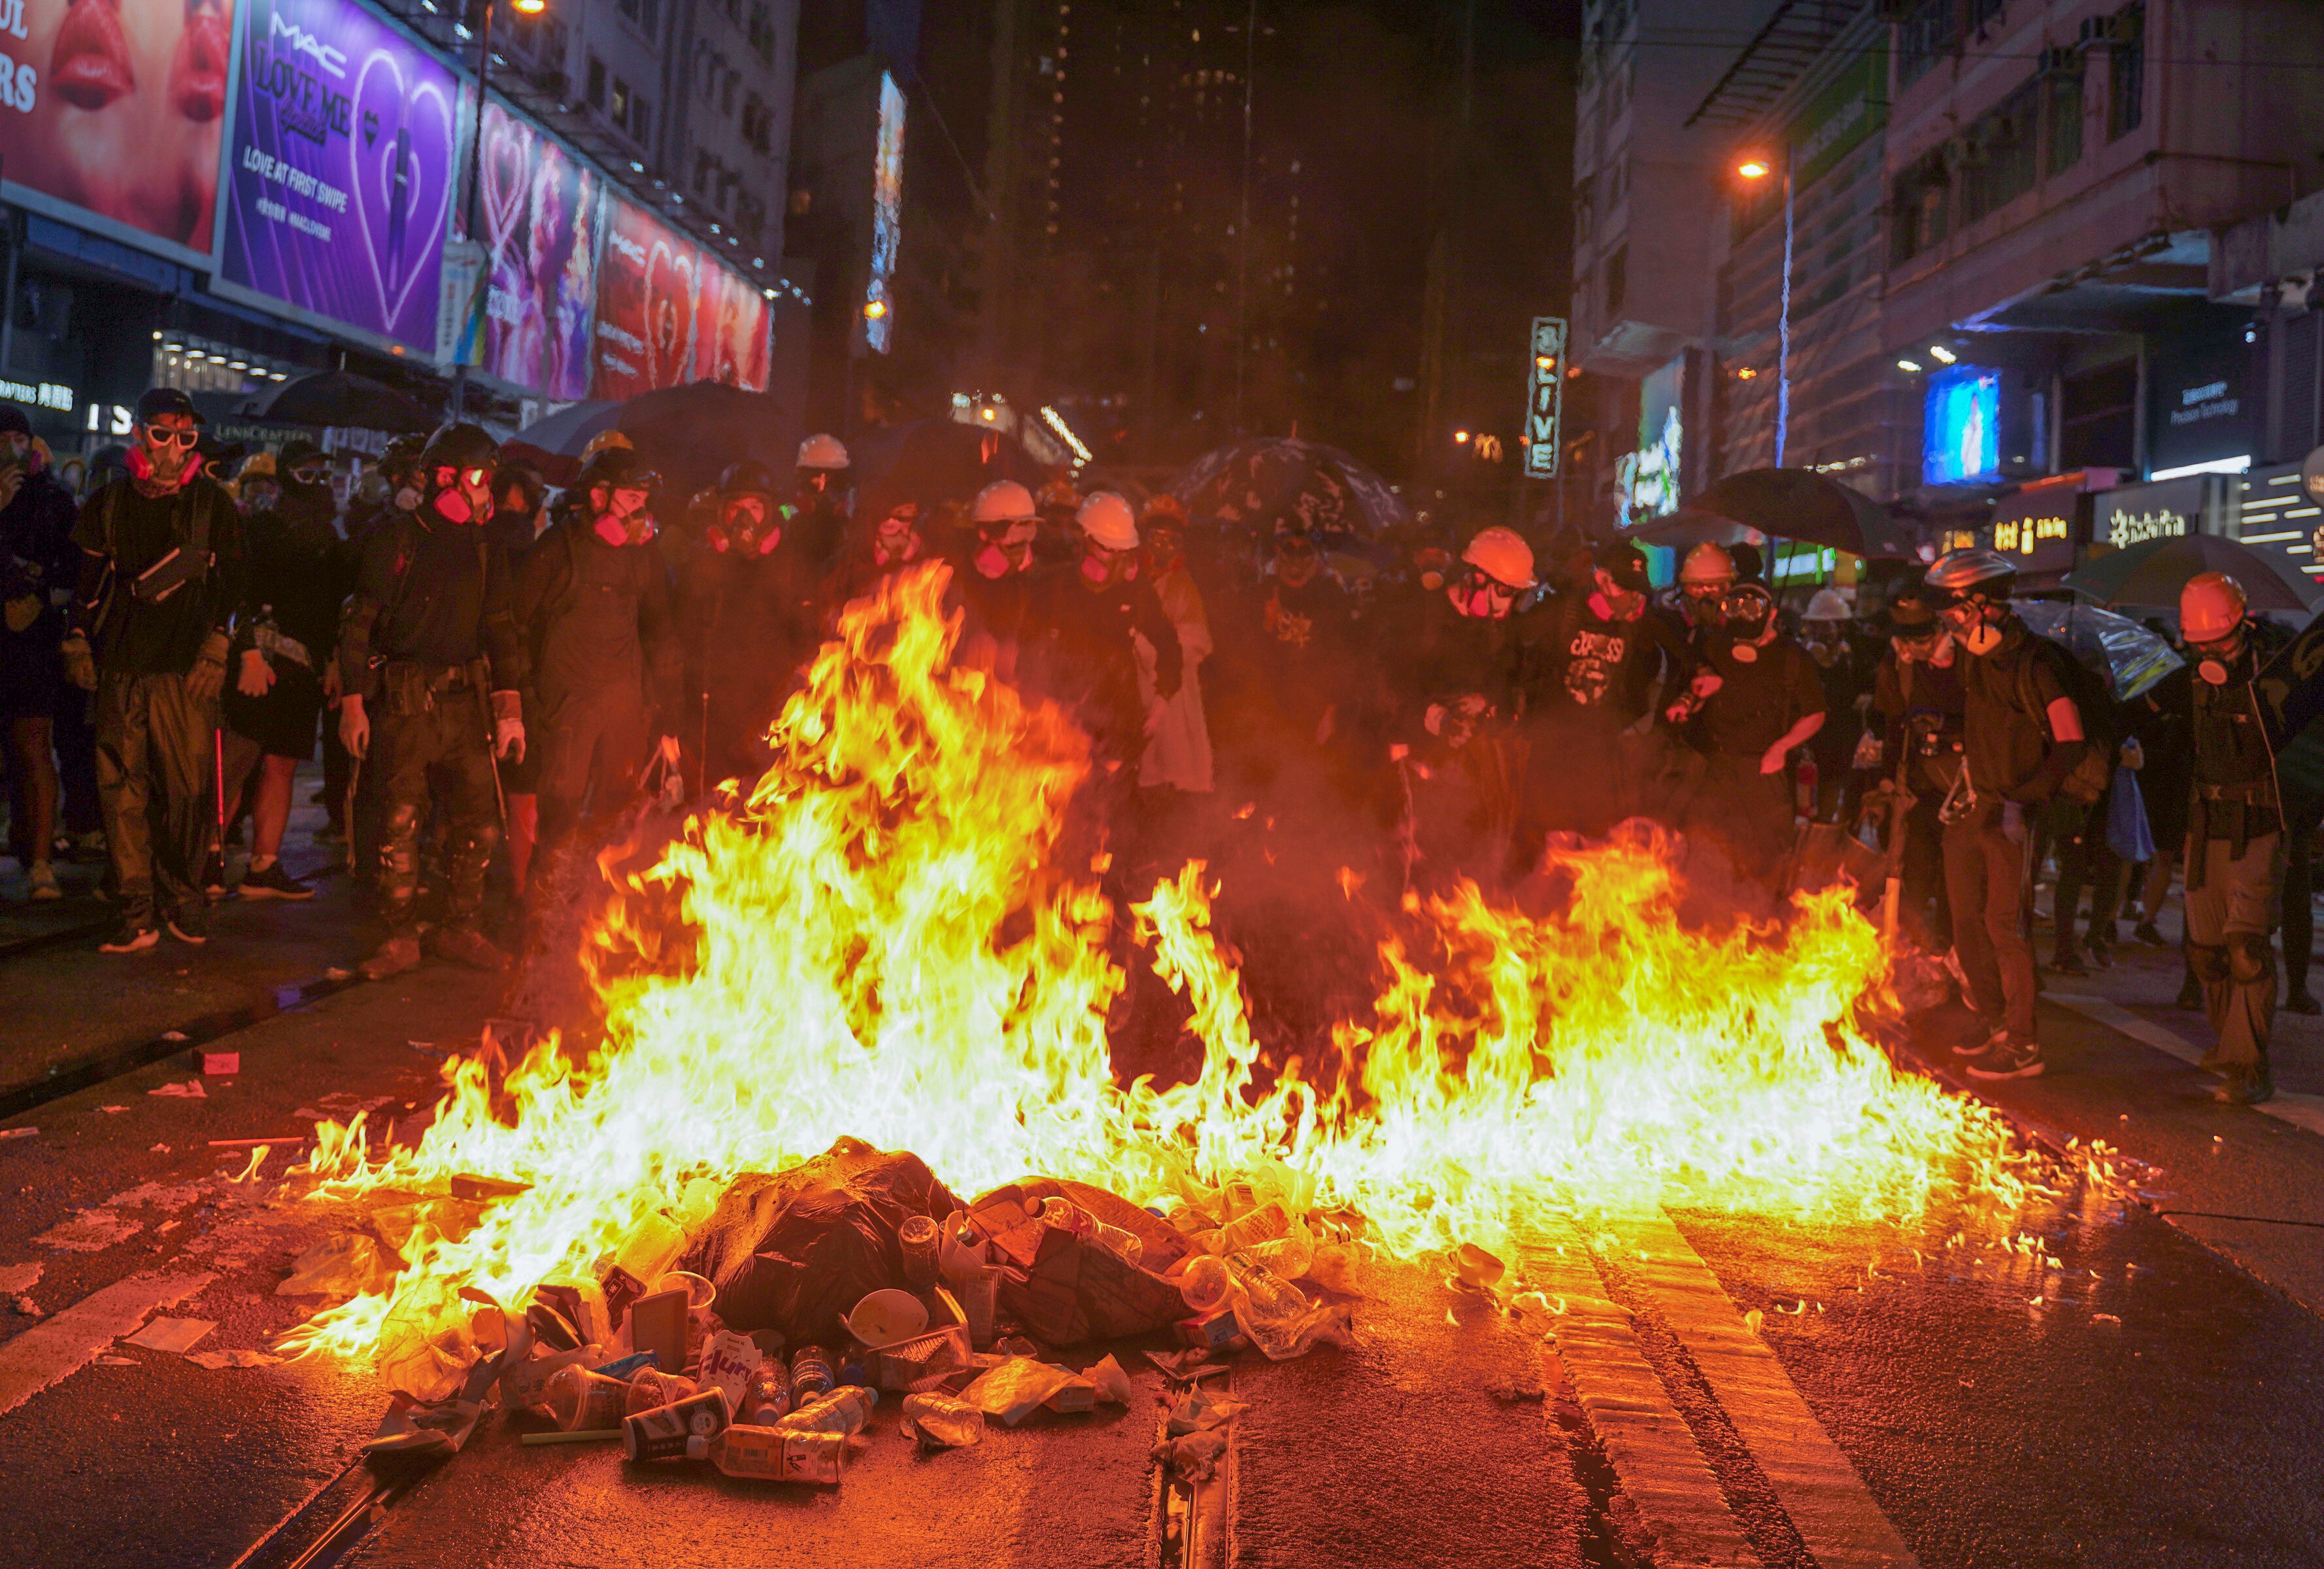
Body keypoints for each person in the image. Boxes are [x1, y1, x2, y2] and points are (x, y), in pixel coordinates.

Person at [335, 424, 526, 979]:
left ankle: (459, 928)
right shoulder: (397, 539)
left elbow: (501, 627)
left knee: (480, 823)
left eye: (489, 480)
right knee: (397, 821)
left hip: (467, 704)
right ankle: (398, 937)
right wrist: (353, 703)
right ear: (443, 478)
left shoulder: (486, 546)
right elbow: (359, 623)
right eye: (475, 478)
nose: (485, 490)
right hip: (405, 703)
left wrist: (509, 710)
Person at [67, 388, 246, 950]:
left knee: (187, 791)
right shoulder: (109, 502)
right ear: (140, 435)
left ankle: (183, 899)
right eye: (163, 433)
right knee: (121, 792)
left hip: (185, 670)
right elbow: (87, 582)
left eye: (186, 436)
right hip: (122, 664)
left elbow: (238, 582)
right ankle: (135, 909)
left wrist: (220, 644)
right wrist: (76, 639)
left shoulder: (211, 504)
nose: (174, 446)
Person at [1927, 548, 2088, 1081]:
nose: (1948, 619)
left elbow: (2069, 741)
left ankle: (2022, 1045)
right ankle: (1994, 1022)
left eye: (1954, 608)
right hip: (1975, 807)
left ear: (1983, 603)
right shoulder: (1977, 660)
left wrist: (2024, 800)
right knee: (1965, 920)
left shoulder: (2038, 662)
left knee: (2004, 927)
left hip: (2012, 817)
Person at [511, 444, 682, 857]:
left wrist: (668, 708)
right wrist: (520, 699)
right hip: (567, 709)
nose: (639, 513)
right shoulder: (556, 550)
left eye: (643, 502)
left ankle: (599, 914)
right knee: (559, 825)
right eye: (630, 500)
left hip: (623, 711)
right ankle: (542, 917)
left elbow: (659, 632)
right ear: (598, 497)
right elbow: (512, 626)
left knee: (617, 818)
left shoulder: (643, 558)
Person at [1519, 537, 1709, 844]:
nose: (1633, 599)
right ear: (1602, 580)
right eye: (1625, 588)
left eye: (1638, 590)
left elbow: (1687, 656)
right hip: (1551, 749)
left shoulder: (1639, 622)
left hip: (1602, 751)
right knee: (1542, 839)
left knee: (1596, 843)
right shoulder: (1562, 612)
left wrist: (1698, 682)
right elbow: (1512, 641)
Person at [1378, 526, 1539, 883]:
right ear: (1477, 578)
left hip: (1473, 770)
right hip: (1418, 760)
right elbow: (1390, 685)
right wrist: (1437, 717)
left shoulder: (1506, 628)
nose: (1507, 603)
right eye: (1503, 590)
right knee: (1416, 857)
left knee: (1471, 862)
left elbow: (1512, 682)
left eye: (1514, 594)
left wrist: (1487, 702)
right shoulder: (1424, 617)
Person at [218, 438, 342, 900]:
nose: (314, 483)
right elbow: (237, 592)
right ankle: (207, 859)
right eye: (304, 474)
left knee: (282, 765)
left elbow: (332, 606)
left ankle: (264, 865)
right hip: (261, 663)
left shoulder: (327, 537)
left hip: (302, 667)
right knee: (238, 761)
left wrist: (331, 661)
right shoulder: (261, 530)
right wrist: (248, 651)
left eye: (320, 474)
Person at [2177, 572, 2283, 1104]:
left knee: (2246, 948)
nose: (2206, 652)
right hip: (2205, 819)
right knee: (2207, 952)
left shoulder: (2278, 669)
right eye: (2197, 645)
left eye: (2215, 643)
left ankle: (2249, 1066)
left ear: (2240, 625)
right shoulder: (2190, 678)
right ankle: (2228, 1044)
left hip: (2259, 821)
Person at [1043, 492, 1182, 859]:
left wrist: (1160, 705)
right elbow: (1027, 648)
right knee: (1059, 816)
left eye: (1124, 552)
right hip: (1061, 720)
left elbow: (1170, 646)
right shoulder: (1055, 588)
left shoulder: (1136, 593)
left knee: (1111, 817)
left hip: (1119, 724)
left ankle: (1104, 893)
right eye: (1108, 550)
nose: (1118, 561)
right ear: (1084, 542)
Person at [683, 458, 825, 790]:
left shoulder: (793, 568)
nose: (745, 518)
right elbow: (681, 642)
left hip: (770, 719)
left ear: (770, 512)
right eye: (736, 507)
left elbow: (808, 647)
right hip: (713, 722)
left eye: (755, 507)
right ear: (721, 513)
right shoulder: (700, 567)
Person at [1680, 581, 1824, 890]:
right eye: (1734, 608)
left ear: (1771, 614)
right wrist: (1695, 696)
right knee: (1710, 846)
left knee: (1767, 856)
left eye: (1752, 611)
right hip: (1716, 765)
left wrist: (1781, 748)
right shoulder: (1714, 645)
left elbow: (1815, 714)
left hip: (1764, 769)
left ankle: (1764, 923)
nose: (1742, 619)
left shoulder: (1791, 657)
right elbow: (1694, 686)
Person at [0, 408, 82, 898]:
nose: (12, 446)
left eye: (19, 437)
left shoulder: (53, 498)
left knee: (34, 745)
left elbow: (70, 567)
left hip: (32, 640)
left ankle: (41, 860)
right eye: (2, 437)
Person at [1868, 588, 1964, 953]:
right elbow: (1893, 723)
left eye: (1924, 640)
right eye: (1907, 641)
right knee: (1917, 874)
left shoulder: (1968, 661)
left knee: (1957, 882)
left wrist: (1950, 728)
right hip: (1920, 787)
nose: (1917, 649)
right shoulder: (1897, 667)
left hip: (1962, 788)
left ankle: (1951, 951)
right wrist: (1887, 778)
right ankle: (1913, 952)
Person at [487, 462, 548, 894]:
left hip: (475, 681)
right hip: (524, 684)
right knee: (523, 792)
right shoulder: (534, 552)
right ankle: (523, 889)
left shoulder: (473, 545)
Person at [1137, 500, 1214, 800]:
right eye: (1157, 536)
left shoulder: (1184, 586)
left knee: (1174, 770)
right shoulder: (1133, 578)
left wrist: (1148, 646)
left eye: (1172, 539)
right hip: (1134, 687)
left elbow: (1198, 641)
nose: (1163, 546)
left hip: (1175, 693)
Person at [952, 479, 1053, 684]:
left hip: (1003, 695)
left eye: (1028, 530)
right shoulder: (954, 578)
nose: (1020, 546)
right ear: (987, 533)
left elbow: (1035, 640)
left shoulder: (1027, 584)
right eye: (1015, 532)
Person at [786, 433, 853, 573]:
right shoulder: (787, 514)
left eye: (829, 478)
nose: (822, 487)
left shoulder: (854, 515)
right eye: (816, 478)